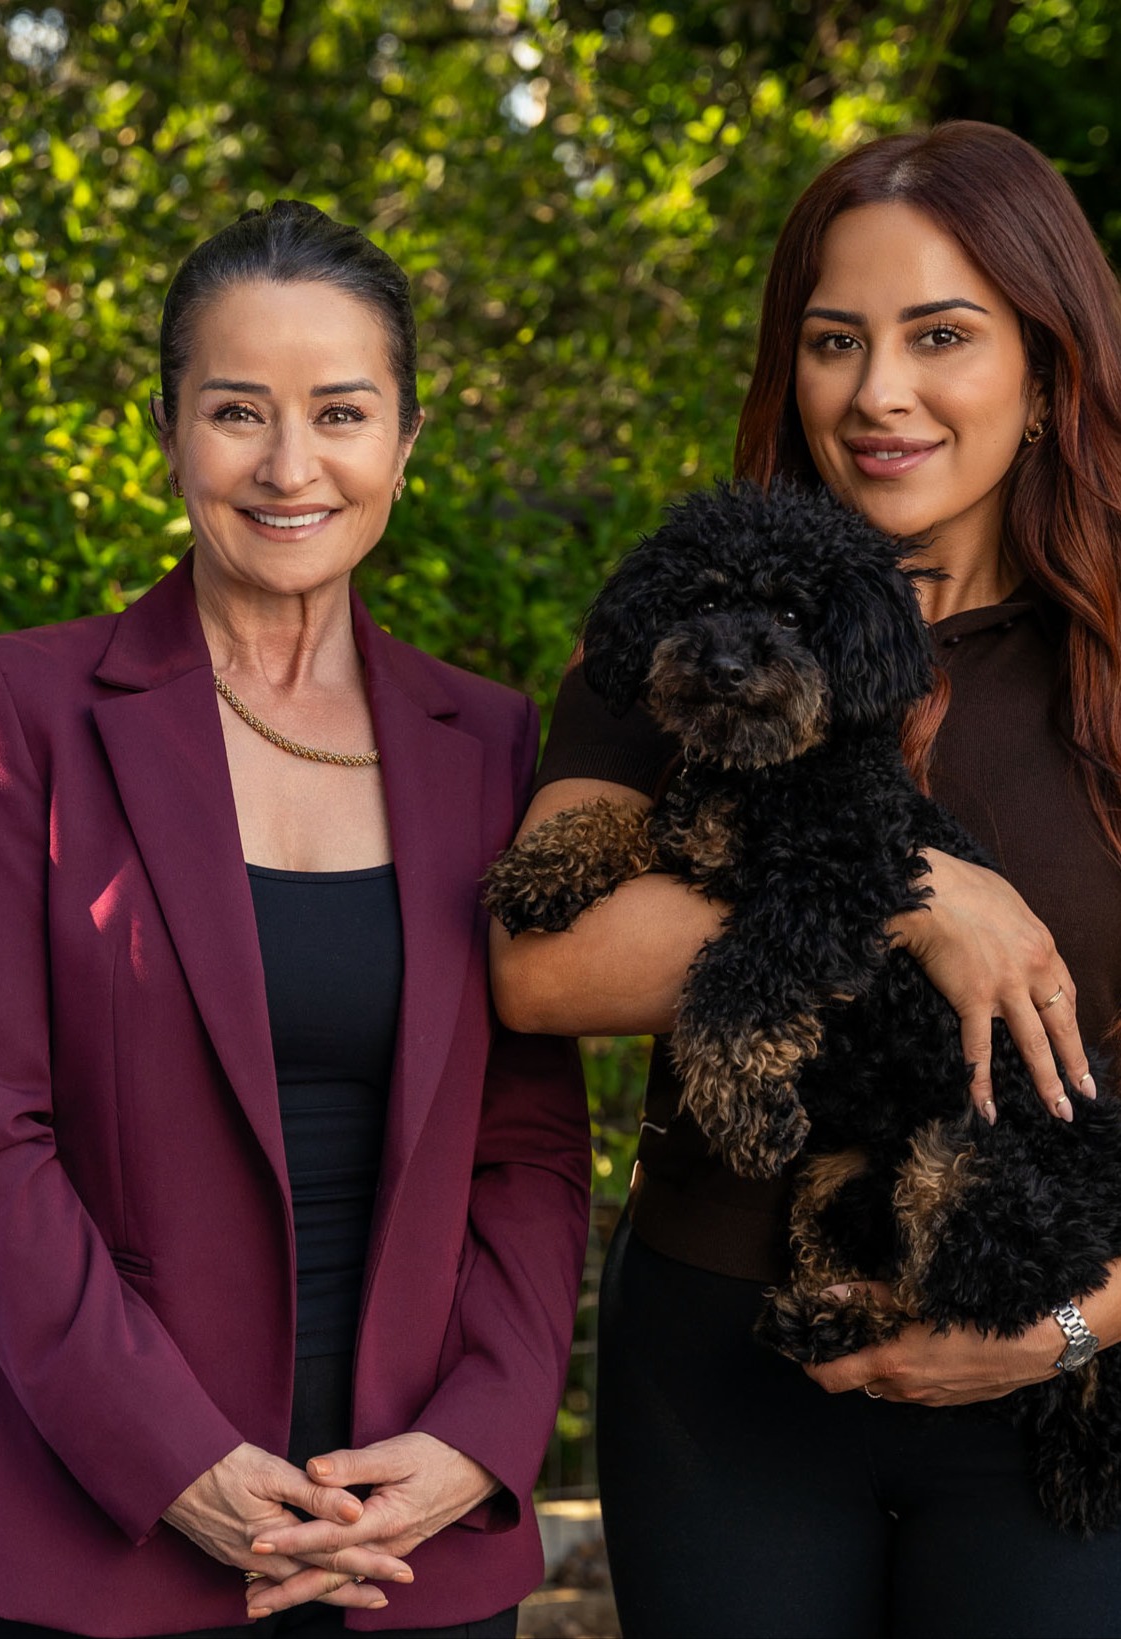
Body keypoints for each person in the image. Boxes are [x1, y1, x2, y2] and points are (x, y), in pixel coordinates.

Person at [0, 199, 590, 1638]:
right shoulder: (17, 708)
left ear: (405, 439)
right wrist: (177, 1464)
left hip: (414, 1536)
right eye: (237, 412)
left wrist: (478, 1439)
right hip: (115, 1534)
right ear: (168, 432)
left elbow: (525, 1147)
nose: (290, 466)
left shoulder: (497, 742)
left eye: (341, 412)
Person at [491, 120, 1121, 1638]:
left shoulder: (1104, 661)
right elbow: (546, 961)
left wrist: (1066, 1330)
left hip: (1056, 1351)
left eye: (942, 337)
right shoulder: (703, 615)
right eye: (836, 340)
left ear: (1045, 369)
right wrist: (912, 888)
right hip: (725, 1376)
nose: (877, 392)